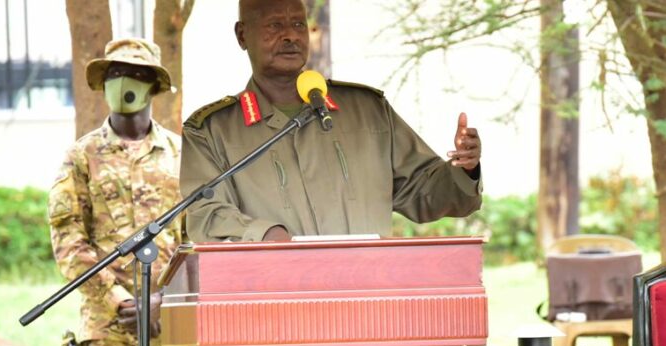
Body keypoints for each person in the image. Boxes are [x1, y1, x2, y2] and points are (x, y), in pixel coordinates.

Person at [179, 0, 483, 243]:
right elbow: (205, 214)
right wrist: (263, 234)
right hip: (275, 303)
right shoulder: (210, 131)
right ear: (242, 35)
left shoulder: (368, 111)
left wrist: (464, 170)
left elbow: (424, 193)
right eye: (274, 25)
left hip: (366, 299)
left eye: (298, 24)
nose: (290, 36)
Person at [48, 38, 182, 346]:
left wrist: (162, 300)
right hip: (107, 331)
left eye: (135, 72)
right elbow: (68, 243)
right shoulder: (80, 157)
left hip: (170, 327)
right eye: (115, 72)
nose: (122, 80)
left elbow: (199, 239)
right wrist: (118, 299)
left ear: (154, 85)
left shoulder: (183, 155)